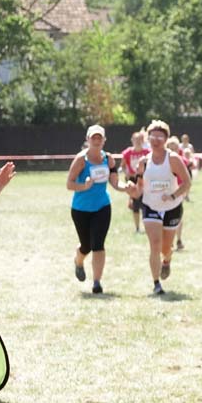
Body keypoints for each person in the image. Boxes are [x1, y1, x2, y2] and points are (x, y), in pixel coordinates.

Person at [127, 120, 192, 295]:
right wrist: (133, 191)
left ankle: (167, 261)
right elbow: (140, 187)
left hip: (172, 207)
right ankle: (156, 283)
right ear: (148, 139)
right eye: (152, 136)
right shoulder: (143, 162)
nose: (156, 140)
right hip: (150, 206)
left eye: (160, 136)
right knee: (155, 245)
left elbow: (187, 183)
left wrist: (172, 196)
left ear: (166, 139)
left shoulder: (172, 159)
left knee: (165, 248)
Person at [67, 125, 126, 294]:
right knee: (86, 246)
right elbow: (69, 184)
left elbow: (115, 182)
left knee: (98, 245)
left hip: (102, 207)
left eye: (100, 137)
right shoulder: (81, 160)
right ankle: (78, 261)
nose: (97, 140)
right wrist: (84, 186)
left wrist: (126, 187)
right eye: (93, 137)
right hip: (81, 209)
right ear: (87, 140)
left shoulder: (109, 159)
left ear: (104, 140)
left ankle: (97, 283)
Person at [121, 131, 149, 232]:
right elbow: (123, 165)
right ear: (132, 140)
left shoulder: (147, 152)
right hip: (133, 179)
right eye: (135, 140)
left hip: (144, 179)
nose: (137, 142)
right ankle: (137, 227)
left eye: (139, 140)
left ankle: (147, 225)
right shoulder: (128, 152)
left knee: (146, 203)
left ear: (142, 140)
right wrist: (127, 173)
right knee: (135, 204)